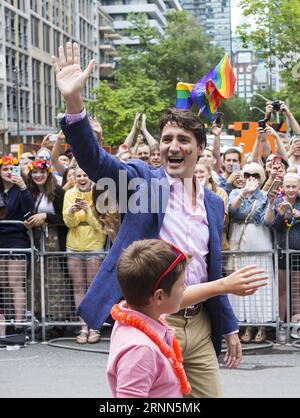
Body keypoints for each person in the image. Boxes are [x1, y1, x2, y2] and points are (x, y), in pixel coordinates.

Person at [53, 42, 250, 397]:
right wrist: (73, 103)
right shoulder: (143, 183)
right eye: (166, 139)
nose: (173, 146)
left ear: (200, 149)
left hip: (202, 326)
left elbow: (212, 271)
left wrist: (230, 326)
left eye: (183, 140)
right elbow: (96, 162)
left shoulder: (213, 203)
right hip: (153, 321)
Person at [108, 239, 267, 398]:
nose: (186, 288)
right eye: (182, 285)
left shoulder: (140, 313)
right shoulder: (140, 350)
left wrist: (226, 285)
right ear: (159, 296)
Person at [227, 163, 274, 344]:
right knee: (241, 282)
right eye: (247, 174)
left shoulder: (264, 196)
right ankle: (244, 325)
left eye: (255, 174)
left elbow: (267, 221)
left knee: (260, 283)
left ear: (261, 177)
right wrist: (244, 192)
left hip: (260, 241)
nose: (251, 178)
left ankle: (261, 325)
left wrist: (270, 204)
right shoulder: (235, 193)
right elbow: (232, 209)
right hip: (239, 243)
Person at [63, 167, 107, 344]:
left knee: (93, 287)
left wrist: (88, 212)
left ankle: (95, 326)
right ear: (74, 177)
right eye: (78, 175)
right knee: (79, 286)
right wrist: (72, 212)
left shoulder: (99, 193)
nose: (82, 178)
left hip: (94, 245)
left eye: (85, 175)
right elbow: (68, 222)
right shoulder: (69, 194)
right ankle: (83, 327)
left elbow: (100, 224)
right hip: (73, 245)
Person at [0, 156, 34, 323]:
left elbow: (29, 212)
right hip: (1, 239)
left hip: (17, 238)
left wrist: (22, 186)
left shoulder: (22, 190)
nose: (8, 172)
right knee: (4, 284)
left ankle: (20, 324)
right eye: (4, 169)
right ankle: (7, 322)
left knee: (15, 283)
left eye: (11, 169)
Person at [265, 173, 300, 322]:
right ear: (283, 188)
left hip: (297, 251)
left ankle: (296, 323)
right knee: (282, 289)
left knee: (296, 289)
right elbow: (272, 225)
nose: (291, 189)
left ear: (299, 188)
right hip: (281, 250)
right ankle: (281, 322)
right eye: (288, 186)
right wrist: (280, 215)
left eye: (294, 186)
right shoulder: (277, 201)